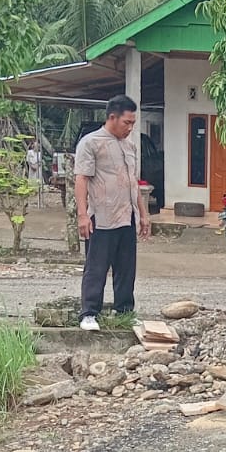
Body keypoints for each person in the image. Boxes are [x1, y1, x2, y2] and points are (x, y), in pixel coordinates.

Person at [74, 96, 149, 331]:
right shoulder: (91, 143)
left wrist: (143, 214)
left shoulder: (130, 146)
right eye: (127, 122)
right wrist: (82, 215)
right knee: (96, 267)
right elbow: (81, 179)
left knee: (126, 268)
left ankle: (124, 310)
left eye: (133, 123)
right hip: (101, 216)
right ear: (112, 117)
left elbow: (133, 182)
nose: (130, 127)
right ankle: (89, 313)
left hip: (127, 215)